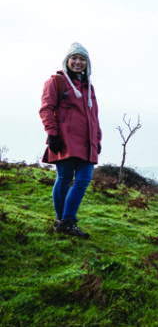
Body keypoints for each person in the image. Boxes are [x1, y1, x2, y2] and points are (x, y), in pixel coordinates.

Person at [39, 43, 101, 239]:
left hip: (87, 143)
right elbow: (46, 109)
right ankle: (65, 221)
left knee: (83, 180)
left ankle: (65, 222)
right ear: (67, 61)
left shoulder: (89, 87)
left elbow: (94, 116)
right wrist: (53, 134)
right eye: (74, 58)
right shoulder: (56, 82)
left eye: (82, 59)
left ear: (87, 64)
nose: (78, 62)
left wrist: (97, 139)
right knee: (64, 179)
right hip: (64, 140)